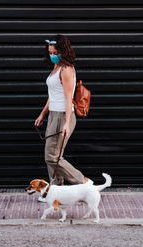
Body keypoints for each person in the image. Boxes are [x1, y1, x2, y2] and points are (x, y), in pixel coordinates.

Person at [34, 34, 88, 201]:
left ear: (63, 51)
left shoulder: (66, 70)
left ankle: (83, 182)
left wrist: (65, 123)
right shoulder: (56, 68)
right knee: (53, 156)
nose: (52, 55)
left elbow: (66, 98)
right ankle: (56, 193)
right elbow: (53, 95)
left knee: (52, 156)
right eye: (50, 52)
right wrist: (43, 114)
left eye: (55, 52)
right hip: (53, 115)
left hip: (63, 115)